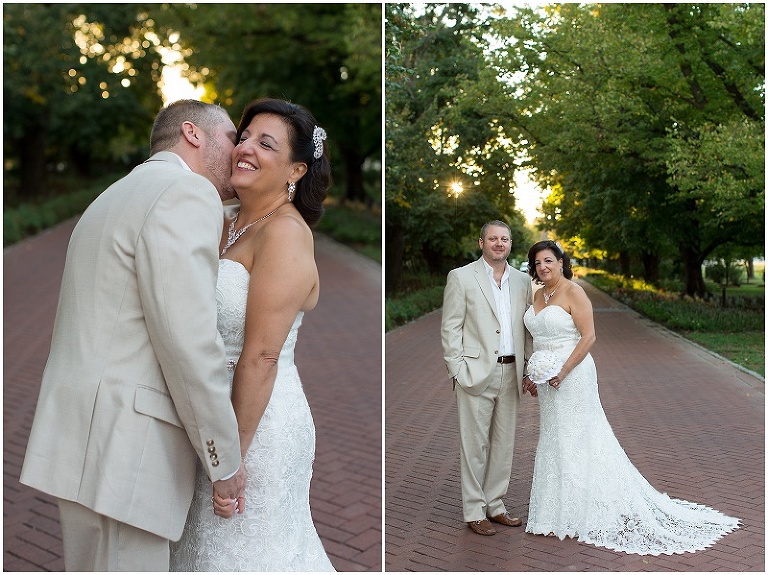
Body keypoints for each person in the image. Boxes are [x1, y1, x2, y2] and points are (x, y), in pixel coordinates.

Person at [19, 99, 247, 571]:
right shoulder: (186, 193)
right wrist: (223, 460)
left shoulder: (115, 194)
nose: (239, 149)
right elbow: (188, 342)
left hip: (81, 439)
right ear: (193, 133)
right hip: (127, 449)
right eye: (232, 136)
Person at [170, 98, 335, 571]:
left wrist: (230, 457)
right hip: (209, 411)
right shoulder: (224, 219)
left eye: (266, 144)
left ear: (295, 170)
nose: (245, 148)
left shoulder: (286, 233)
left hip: (256, 426)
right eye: (244, 138)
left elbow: (262, 356)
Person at [521, 239, 740, 555]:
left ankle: (585, 509)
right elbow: (539, 339)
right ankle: (556, 510)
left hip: (573, 373)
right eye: (537, 262)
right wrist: (535, 374)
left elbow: (589, 336)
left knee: (579, 436)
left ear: (560, 262)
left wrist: (563, 371)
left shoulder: (574, 292)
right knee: (555, 438)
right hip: (548, 379)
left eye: (548, 261)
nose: (543, 267)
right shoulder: (539, 295)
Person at [440, 221, 533, 536]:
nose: (499, 243)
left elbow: (526, 329)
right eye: (493, 238)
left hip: (512, 371)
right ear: (481, 243)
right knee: (474, 445)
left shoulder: (522, 281)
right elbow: (451, 327)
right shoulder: (461, 277)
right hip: (475, 373)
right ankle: (474, 511)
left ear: (510, 244)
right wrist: (457, 369)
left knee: (504, 444)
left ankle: (495, 505)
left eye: (504, 239)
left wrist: (528, 367)